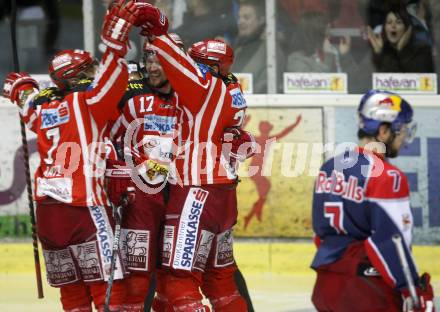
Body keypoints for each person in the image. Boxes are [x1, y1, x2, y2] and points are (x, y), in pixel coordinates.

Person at [2, 1, 139, 311]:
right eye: (90, 68)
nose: (95, 72)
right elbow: (115, 79)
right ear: (79, 76)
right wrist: (116, 44)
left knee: (72, 295)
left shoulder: (43, 109)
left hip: (48, 213)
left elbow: (24, 96)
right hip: (83, 208)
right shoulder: (87, 103)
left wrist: (19, 85)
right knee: (108, 290)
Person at [136, 4, 252, 309]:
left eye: (194, 62)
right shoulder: (230, 89)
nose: (187, 66)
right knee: (221, 280)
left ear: (207, 66)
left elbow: (177, 65)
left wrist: (158, 32)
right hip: (222, 193)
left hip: (194, 193)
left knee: (178, 281)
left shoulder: (202, 87)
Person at [311, 89, 435, 312]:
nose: (404, 139)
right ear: (384, 130)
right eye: (402, 130)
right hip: (367, 291)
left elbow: (319, 234)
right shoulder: (388, 176)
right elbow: (390, 242)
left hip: (326, 288)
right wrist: (412, 291)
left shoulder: (329, 167)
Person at [107, 43, 178, 311]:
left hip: (179, 198)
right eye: (149, 61)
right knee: (139, 274)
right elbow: (108, 139)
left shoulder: (190, 101)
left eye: (159, 61)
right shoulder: (135, 102)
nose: (152, 67)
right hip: (144, 199)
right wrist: (121, 175)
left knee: (173, 273)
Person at [232, 0, 285, 93]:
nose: (240, 22)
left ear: (261, 20)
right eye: (239, 17)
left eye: (246, 17)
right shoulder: (237, 48)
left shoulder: (271, 49)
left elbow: (268, 88)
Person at [367, 7, 434, 73]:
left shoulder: (422, 51)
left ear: (407, 28)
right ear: (384, 28)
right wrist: (378, 54)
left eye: (398, 22)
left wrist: (402, 52)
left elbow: (415, 78)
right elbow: (362, 79)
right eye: (389, 22)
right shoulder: (379, 50)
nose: (393, 25)